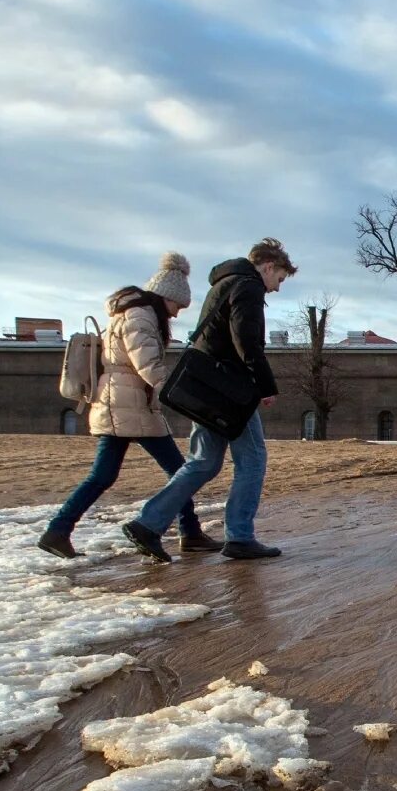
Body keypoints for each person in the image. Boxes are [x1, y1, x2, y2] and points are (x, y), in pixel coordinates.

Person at [121, 237, 295, 563]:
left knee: (203, 462)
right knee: (253, 460)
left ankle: (148, 524)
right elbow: (245, 339)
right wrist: (265, 385)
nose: (277, 288)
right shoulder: (248, 285)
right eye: (279, 279)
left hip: (207, 389)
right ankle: (240, 537)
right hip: (230, 391)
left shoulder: (225, 283)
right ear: (268, 266)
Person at [38, 254, 220, 559]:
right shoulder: (141, 316)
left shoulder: (130, 313)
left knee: (105, 476)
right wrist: (183, 396)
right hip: (128, 404)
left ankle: (58, 530)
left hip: (119, 404)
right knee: (180, 472)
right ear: (166, 297)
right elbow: (147, 364)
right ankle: (188, 533)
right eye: (177, 306)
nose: (175, 314)